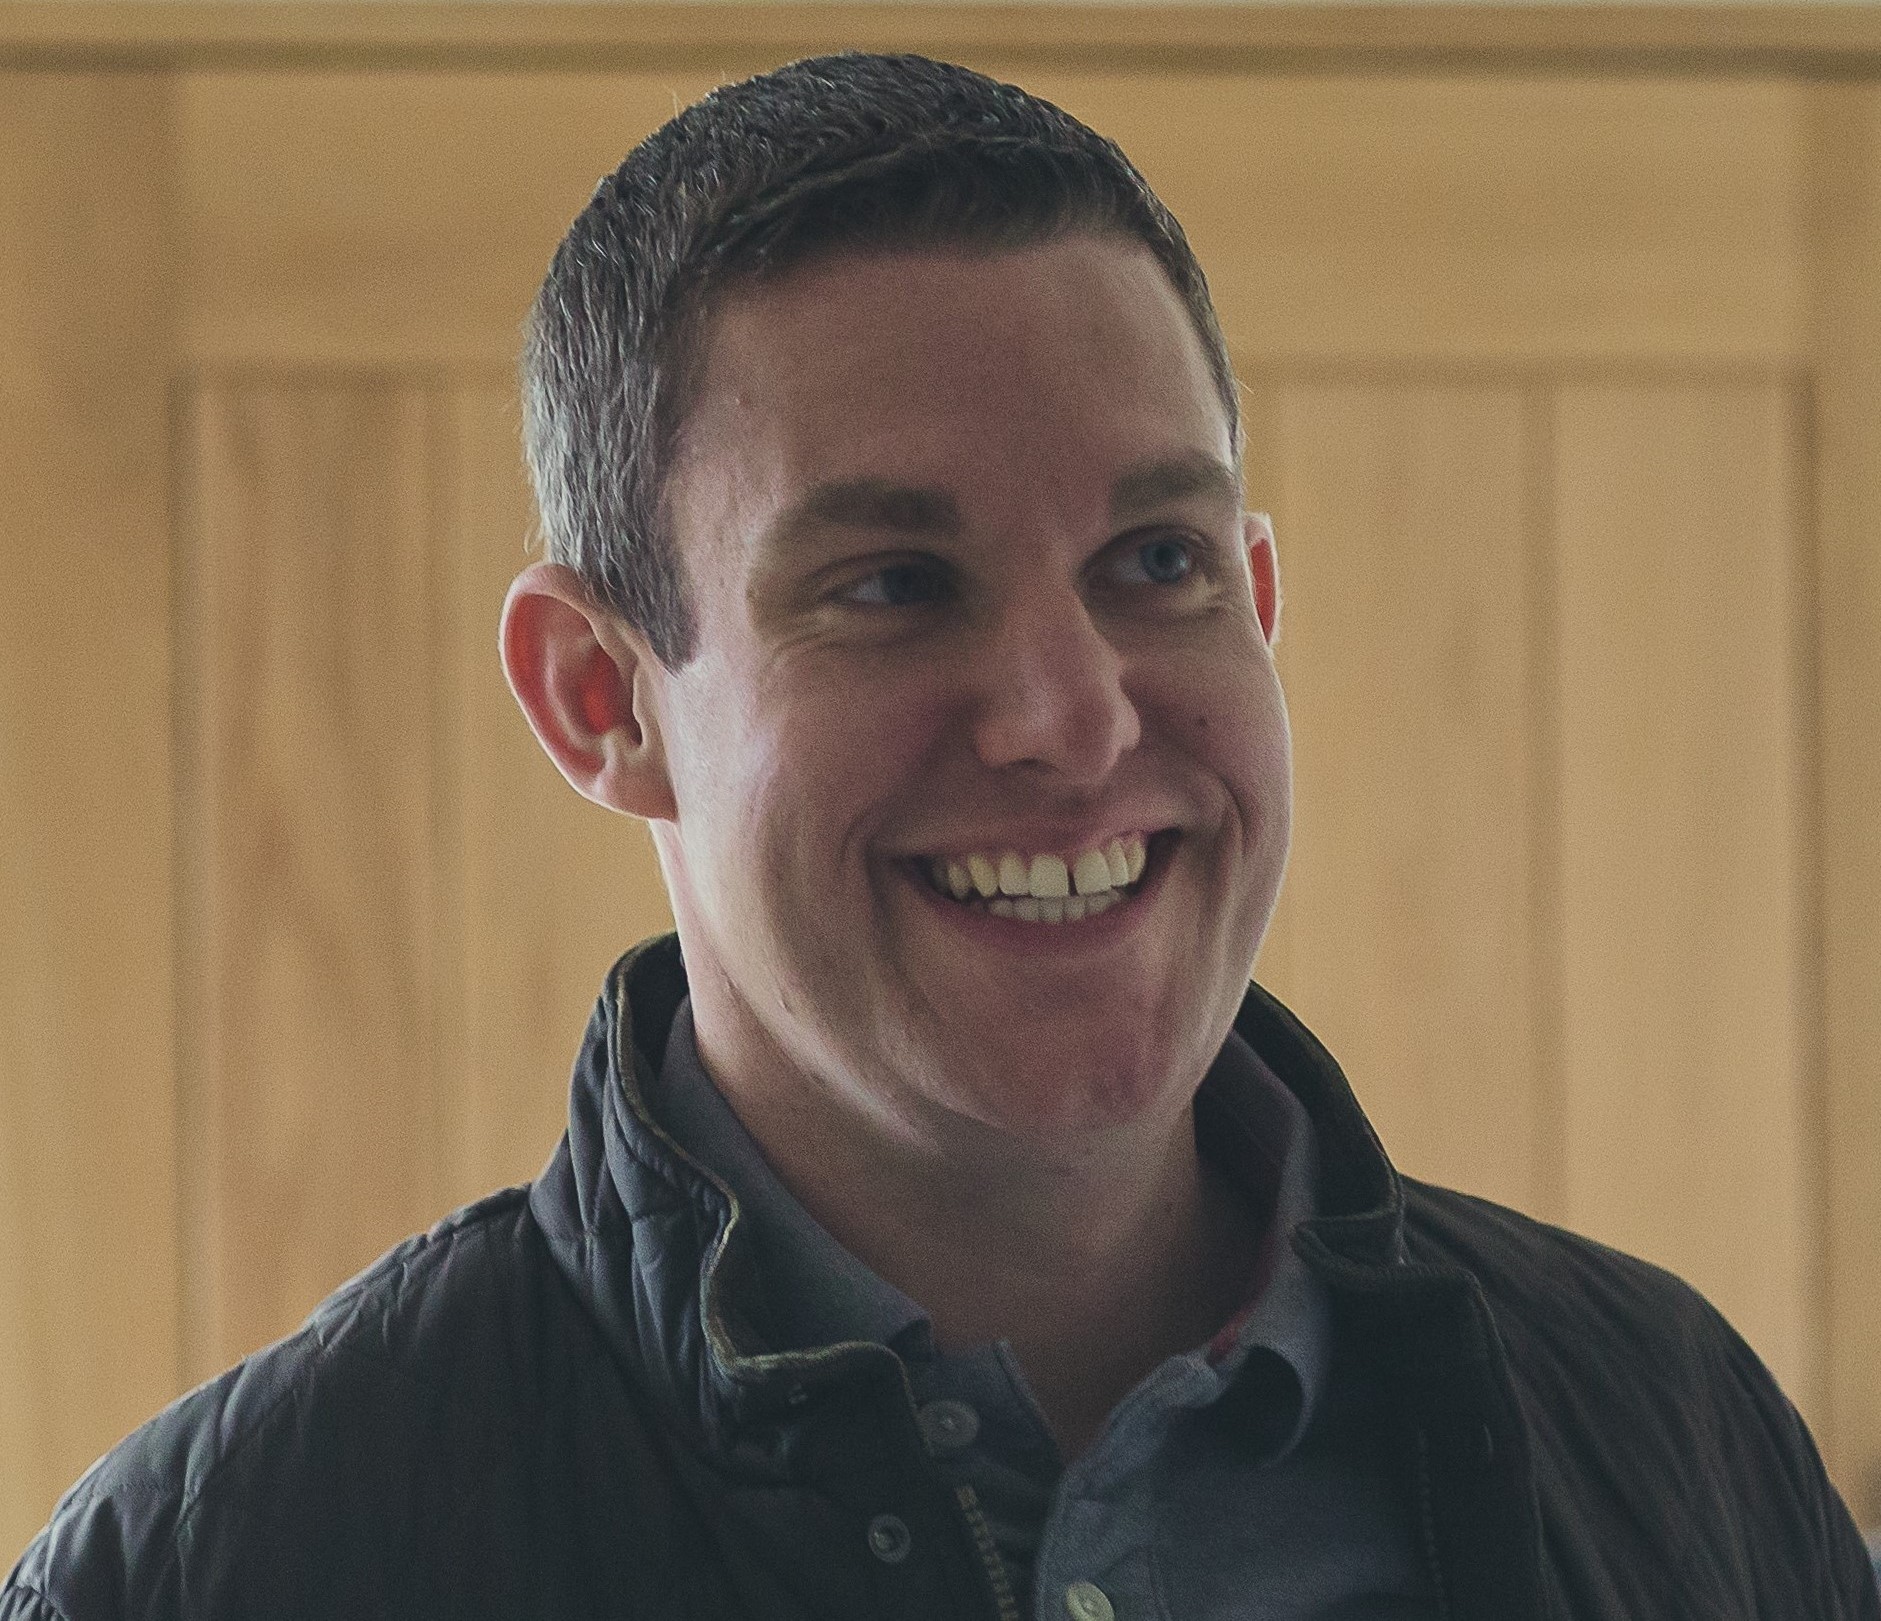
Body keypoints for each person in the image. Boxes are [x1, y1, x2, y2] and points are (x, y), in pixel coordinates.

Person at [4, 51, 1876, 1621]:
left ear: (1258, 603)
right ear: (601, 699)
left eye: (1154, 561)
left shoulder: (1678, 1439)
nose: (1071, 717)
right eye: (892, 583)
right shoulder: (227, 1570)